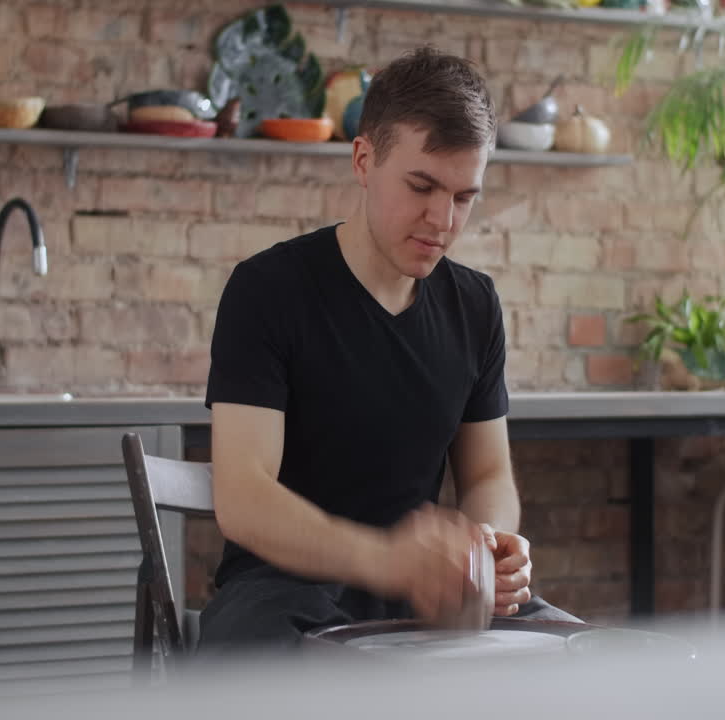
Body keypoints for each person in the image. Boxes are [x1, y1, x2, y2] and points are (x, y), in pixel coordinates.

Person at [200, 47, 580, 650]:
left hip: (424, 598)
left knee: (576, 659)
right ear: (363, 159)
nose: (442, 220)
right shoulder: (268, 289)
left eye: (463, 197)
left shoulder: (476, 305)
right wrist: (388, 560)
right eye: (422, 186)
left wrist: (485, 549)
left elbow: (488, 474)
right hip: (282, 593)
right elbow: (244, 498)